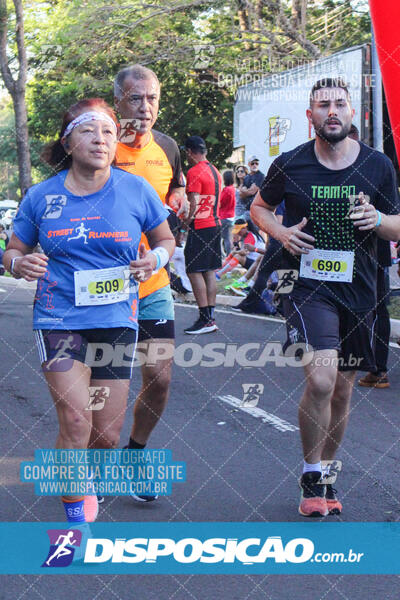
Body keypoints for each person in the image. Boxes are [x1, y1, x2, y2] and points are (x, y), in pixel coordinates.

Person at [3, 98, 174, 523]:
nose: (100, 139)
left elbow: (166, 240)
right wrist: (18, 263)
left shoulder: (135, 190)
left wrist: (156, 260)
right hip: (59, 319)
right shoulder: (42, 196)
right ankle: (75, 516)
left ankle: (83, 473)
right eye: (88, 131)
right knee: (76, 420)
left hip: (116, 321)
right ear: (68, 141)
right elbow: (12, 250)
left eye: (108, 133)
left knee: (104, 433)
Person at [251, 78, 400, 517]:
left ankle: (325, 475)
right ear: (310, 116)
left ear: (351, 113)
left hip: (361, 289)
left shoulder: (378, 166)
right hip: (305, 284)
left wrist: (377, 219)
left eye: (339, 104)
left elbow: (397, 225)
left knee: (341, 390)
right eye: (322, 105)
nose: (331, 111)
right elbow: (259, 207)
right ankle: (310, 471)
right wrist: (279, 231)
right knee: (320, 378)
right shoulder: (290, 164)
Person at [113, 64, 187, 500]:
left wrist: (177, 197)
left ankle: (135, 453)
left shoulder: (168, 146)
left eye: (153, 98)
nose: (145, 107)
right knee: (104, 382)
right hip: (100, 286)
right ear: (118, 100)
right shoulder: (98, 141)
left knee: (159, 378)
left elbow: (174, 186)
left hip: (153, 281)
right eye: (136, 98)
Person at [348, 125, 393, 389]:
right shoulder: (374, 166)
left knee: (373, 309)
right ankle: (373, 367)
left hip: (372, 253)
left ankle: (376, 368)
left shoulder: (370, 167)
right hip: (361, 254)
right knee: (373, 309)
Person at [182, 135, 222, 334]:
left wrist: (184, 223)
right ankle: (210, 317)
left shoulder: (194, 171)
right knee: (209, 270)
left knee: (193, 270)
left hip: (201, 225)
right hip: (215, 223)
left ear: (190, 152)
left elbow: (194, 203)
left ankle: (205, 318)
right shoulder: (215, 171)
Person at [232, 201, 285, 312]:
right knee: (287, 273)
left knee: (264, 273)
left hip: (280, 240)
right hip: (290, 241)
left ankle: (249, 303)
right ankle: (283, 307)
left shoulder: (281, 201)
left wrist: (270, 241)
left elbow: (278, 223)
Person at [219, 170, 235, 255]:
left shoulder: (226, 190)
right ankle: (228, 255)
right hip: (231, 216)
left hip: (224, 216)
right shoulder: (233, 189)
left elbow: (220, 204)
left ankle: (227, 256)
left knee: (224, 238)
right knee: (228, 238)